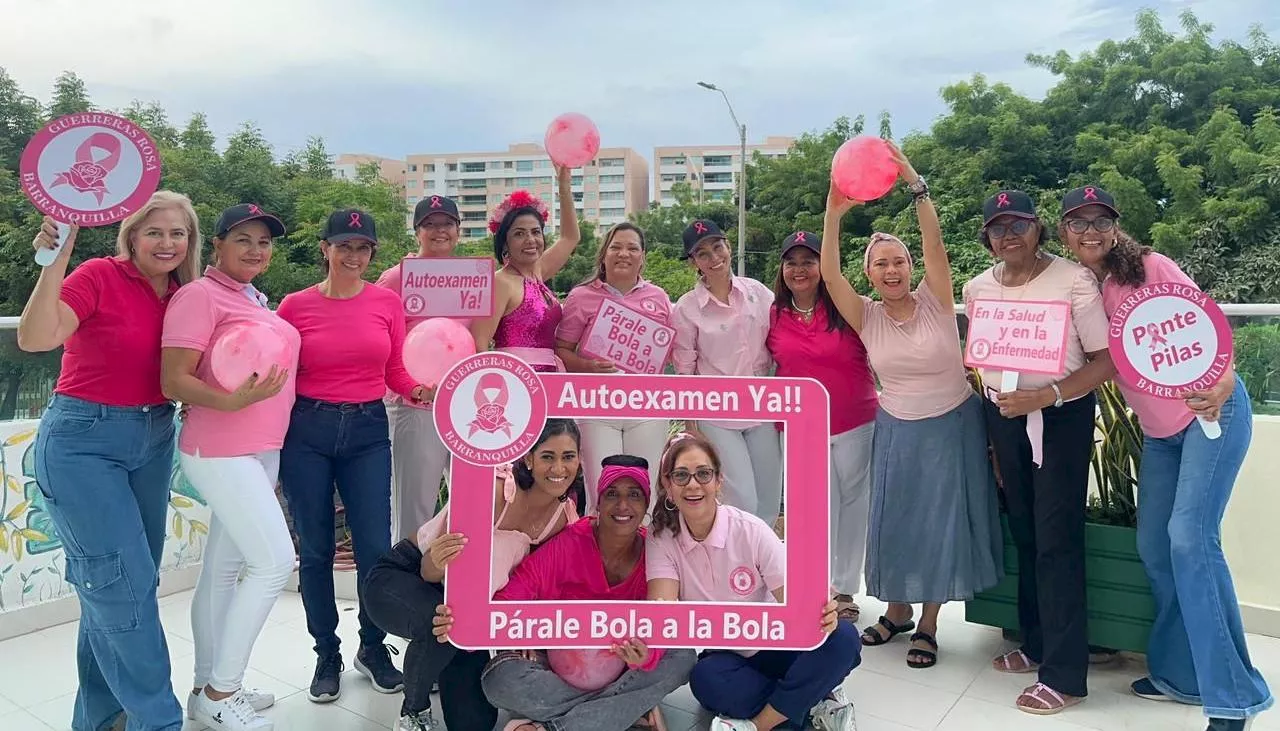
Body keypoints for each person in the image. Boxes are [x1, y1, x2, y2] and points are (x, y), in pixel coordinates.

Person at [1058, 185, 1273, 731]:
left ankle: (1231, 697)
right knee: (1155, 546)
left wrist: (1224, 381)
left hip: (1211, 415)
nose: (1089, 231)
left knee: (1190, 539)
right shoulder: (1085, 287)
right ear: (1064, 231)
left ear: (1116, 226)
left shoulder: (1151, 266)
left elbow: (1211, 322)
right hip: (1160, 435)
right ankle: (1181, 674)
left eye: (1099, 221)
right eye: (1078, 222)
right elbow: (1101, 360)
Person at [813, 145, 1003, 667]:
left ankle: (928, 623)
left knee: (941, 522)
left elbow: (934, 239)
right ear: (869, 274)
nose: (891, 270)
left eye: (898, 261)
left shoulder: (936, 298)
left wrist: (915, 180)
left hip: (952, 425)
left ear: (911, 266)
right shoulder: (866, 315)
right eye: (881, 264)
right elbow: (829, 275)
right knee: (895, 522)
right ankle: (895, 611)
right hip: (896, 427)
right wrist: (833, 212)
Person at [18, 193, 202, 731]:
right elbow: (35, 336)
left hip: (154, 437)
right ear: (131, 236)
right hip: (84, 441)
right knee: (120, 584)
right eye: (154, 233)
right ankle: (159, 722)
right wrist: (57, 258)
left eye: (179, 234)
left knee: (120, 589)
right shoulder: (99, 274)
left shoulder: (186, 298)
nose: (167, 244)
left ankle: (100, 719)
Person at [963, 190, 1115, 715]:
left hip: (1060, 417)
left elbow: (1104, 360)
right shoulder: (977, 287)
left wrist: (1047, 395)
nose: (1009, 235)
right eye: (998, 228)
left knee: (1057, 541)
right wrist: (993, 427)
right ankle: (1035, 643)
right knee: (1026, 532)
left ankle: (1066, 673)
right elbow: (980, 362)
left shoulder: (1073, 279)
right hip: (1003, 418)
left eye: (1019, 225)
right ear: (987, 237)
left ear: (1038, 229)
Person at [277, 208, 430, 705]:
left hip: (367, 428)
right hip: (308, 429)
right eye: (344, 245)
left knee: (373, 548)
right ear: (324, 249)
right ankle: (326, 651)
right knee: (317, 548)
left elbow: (395, 370)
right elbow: (274, 367)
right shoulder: (295, 307)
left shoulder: (387, 303)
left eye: (363, 248)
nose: (353, 255)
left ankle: (371, 645)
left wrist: (420, 390)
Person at [159, 204, 300, 731]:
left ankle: (202, 687)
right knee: (274, 563)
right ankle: (224, 690)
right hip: (221, 450)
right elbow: (174, 380)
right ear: (217, 244)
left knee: (222, 570)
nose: (255, 250)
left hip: (260, 449)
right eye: (243, 239)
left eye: (264, 242)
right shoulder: (199, 295)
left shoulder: (251, 299)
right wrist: (232, 403)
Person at [440, 454, 696, 731]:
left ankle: (555, 727)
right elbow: (512, 596)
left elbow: (667, 620)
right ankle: (626, 713)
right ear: (598, 501)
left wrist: (647, 657)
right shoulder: (571, 542)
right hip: (556, 669)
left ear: (646, 503)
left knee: (682, 657)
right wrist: (519, 630)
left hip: (624, 668)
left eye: (634, 494)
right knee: (499, 680)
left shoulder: (655, 553)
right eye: (612, 494)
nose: (623, 505)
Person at [365, 419, 584, 731]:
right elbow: (430, 570)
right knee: (442, 618)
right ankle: (414, 711)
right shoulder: (497, 491)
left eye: (568, 456)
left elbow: (538, 582)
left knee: (474, 723)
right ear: (529, 458)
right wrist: (439, 570)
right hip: (407, 576)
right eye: (548, 456)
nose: (559, 468)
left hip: (469, 605)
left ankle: (441, 666)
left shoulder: (562, 518)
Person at [646, 433, 860, 731]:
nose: (693, 484)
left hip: (780, 644)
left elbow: (795, 602)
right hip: (728, 655)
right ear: (668, 486)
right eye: (681, 475)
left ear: (719, 481)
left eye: (703, 474)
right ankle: (812, 701)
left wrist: (822, 612)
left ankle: (760, 724)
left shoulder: (751, 530)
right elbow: (664, 612)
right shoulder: (661, 540)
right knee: (705, 680)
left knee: (844, 639)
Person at [765, 224, 878, 625]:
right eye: (791, 262)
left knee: (853, 504)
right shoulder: (773, 313)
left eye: (808, 261)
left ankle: (845, 589)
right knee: (811, 509)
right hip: (799, 427)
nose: (800, 270)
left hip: (854, 419)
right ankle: (817, 586)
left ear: (823, 266)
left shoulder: (848, 307)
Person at [670, 220, 782, 528]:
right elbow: (685, 368)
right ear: (693, 262)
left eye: (717, 247)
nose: (713, 257)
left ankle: (763, 568)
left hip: (762, 406)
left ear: (728, 246)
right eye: (702, 253)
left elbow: (782, 340)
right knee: (741, 498)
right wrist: (691, 424)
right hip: (717, 413)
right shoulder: (687, 308)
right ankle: (738, 567)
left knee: (769, 498)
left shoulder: (758, 293)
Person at [555, 223, 673, 508]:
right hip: (597, 407)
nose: (624, 254)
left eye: (632, 248)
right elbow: (561, 350)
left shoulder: (659, 298)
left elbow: (666, 353)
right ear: (604, 254)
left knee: (645, 491)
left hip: (646, 407)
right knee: (600, 492)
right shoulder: (581, 296)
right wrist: (588, 366)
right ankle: (596, 552)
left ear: (642, 256)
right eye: (616, 247)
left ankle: (645, 551)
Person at [375, 195, 463, 542]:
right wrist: (414, 387)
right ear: (417, 232)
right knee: (414, 508)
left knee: (471, 501)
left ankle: (454, 583)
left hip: (461, 406)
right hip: (414, 405)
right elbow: (378, 338)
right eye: (430, 224)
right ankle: (404, 590)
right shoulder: (397, 277)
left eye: (446, 224)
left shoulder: (470, 278)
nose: (439, 231)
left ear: (458, 231)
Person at [470, 170, 581, 372]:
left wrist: (564, 187)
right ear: (505, 242)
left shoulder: (538, 272)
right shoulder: (499, 282)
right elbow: (479, 344)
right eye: (519, 234)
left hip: (551, 381)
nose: (530, 240)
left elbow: (570, 237)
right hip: (516, 384)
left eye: (536, 232)